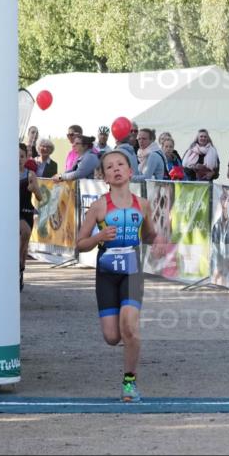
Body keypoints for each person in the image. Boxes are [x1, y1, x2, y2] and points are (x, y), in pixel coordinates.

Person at [75, 149, 165, 402]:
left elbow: (148, 235)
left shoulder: (142, 205)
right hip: (106, 274)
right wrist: (98, 237)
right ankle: (127, 368)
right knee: (112, 336)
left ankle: (129, 383)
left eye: (120, 165)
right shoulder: (99, 206)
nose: (115, 169)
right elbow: (79, 244)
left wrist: (156, 239)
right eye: (110, 167)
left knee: (130, 328)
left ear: (130, 171)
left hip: (132, 272)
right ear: (104, 176)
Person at [18, 143, 43, 291]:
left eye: (21, 156)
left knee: (24, 245)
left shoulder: (30, 174)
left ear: (26, 157)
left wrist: (33, 189)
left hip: (26, 210)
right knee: (20, 234)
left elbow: (40, 197)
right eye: (15, 156)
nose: (18, 159)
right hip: (10, 212)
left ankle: (20, 269)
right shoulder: (4, 174)